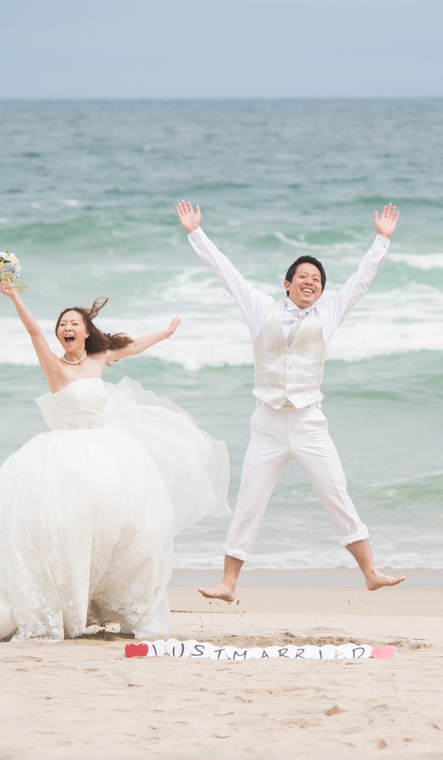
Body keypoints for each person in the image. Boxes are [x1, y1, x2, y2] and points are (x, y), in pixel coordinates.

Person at [0, 279, 229, 642]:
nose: (66, 328)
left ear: (86, 332)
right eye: (62, 325)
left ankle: (104, 602)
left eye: (74, 324)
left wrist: (165, 333)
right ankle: (64, 603)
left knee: (128, 522)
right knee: (64, 529)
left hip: (107, 449)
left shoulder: (100, 357)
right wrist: (14, 297)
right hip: (62, 453)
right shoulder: (54, 366)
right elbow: (33, 331)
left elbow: (132, 347)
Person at [176, 199, 405, 602]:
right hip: (266, 424)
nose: (310, 282)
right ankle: (228, 583)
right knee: (249, 500)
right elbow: (226, 273)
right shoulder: (260, 310)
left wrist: (381, 241)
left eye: (316, 279)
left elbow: (359, 282)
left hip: (308, 423)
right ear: (287, 284)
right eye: (303, 276)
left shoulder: (328, 316)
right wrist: (196, 232)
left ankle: (369, 572)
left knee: (337, 493)